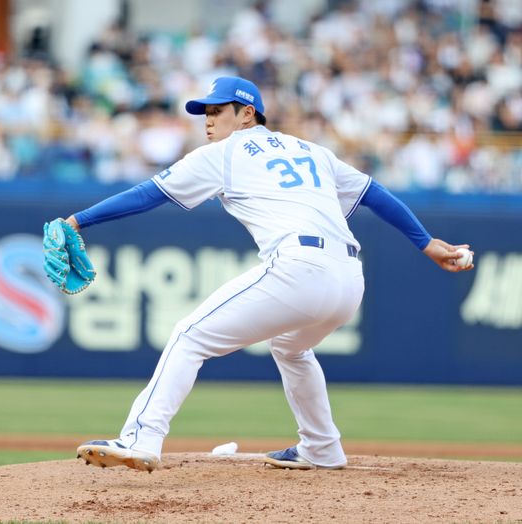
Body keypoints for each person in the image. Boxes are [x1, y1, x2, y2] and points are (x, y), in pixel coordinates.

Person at [69, 76, 473, 472]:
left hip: (300, 268)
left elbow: (147, 194)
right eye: (205, 113)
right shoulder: (312, 150)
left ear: (247, 114)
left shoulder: (224, 153)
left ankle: (141, 439)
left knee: (189, 336)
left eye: (217, 111)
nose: (208, 120)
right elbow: (373, 193)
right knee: (291, 348)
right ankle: (322, 447)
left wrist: (79, 220)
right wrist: (425, 242)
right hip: (350, 279)